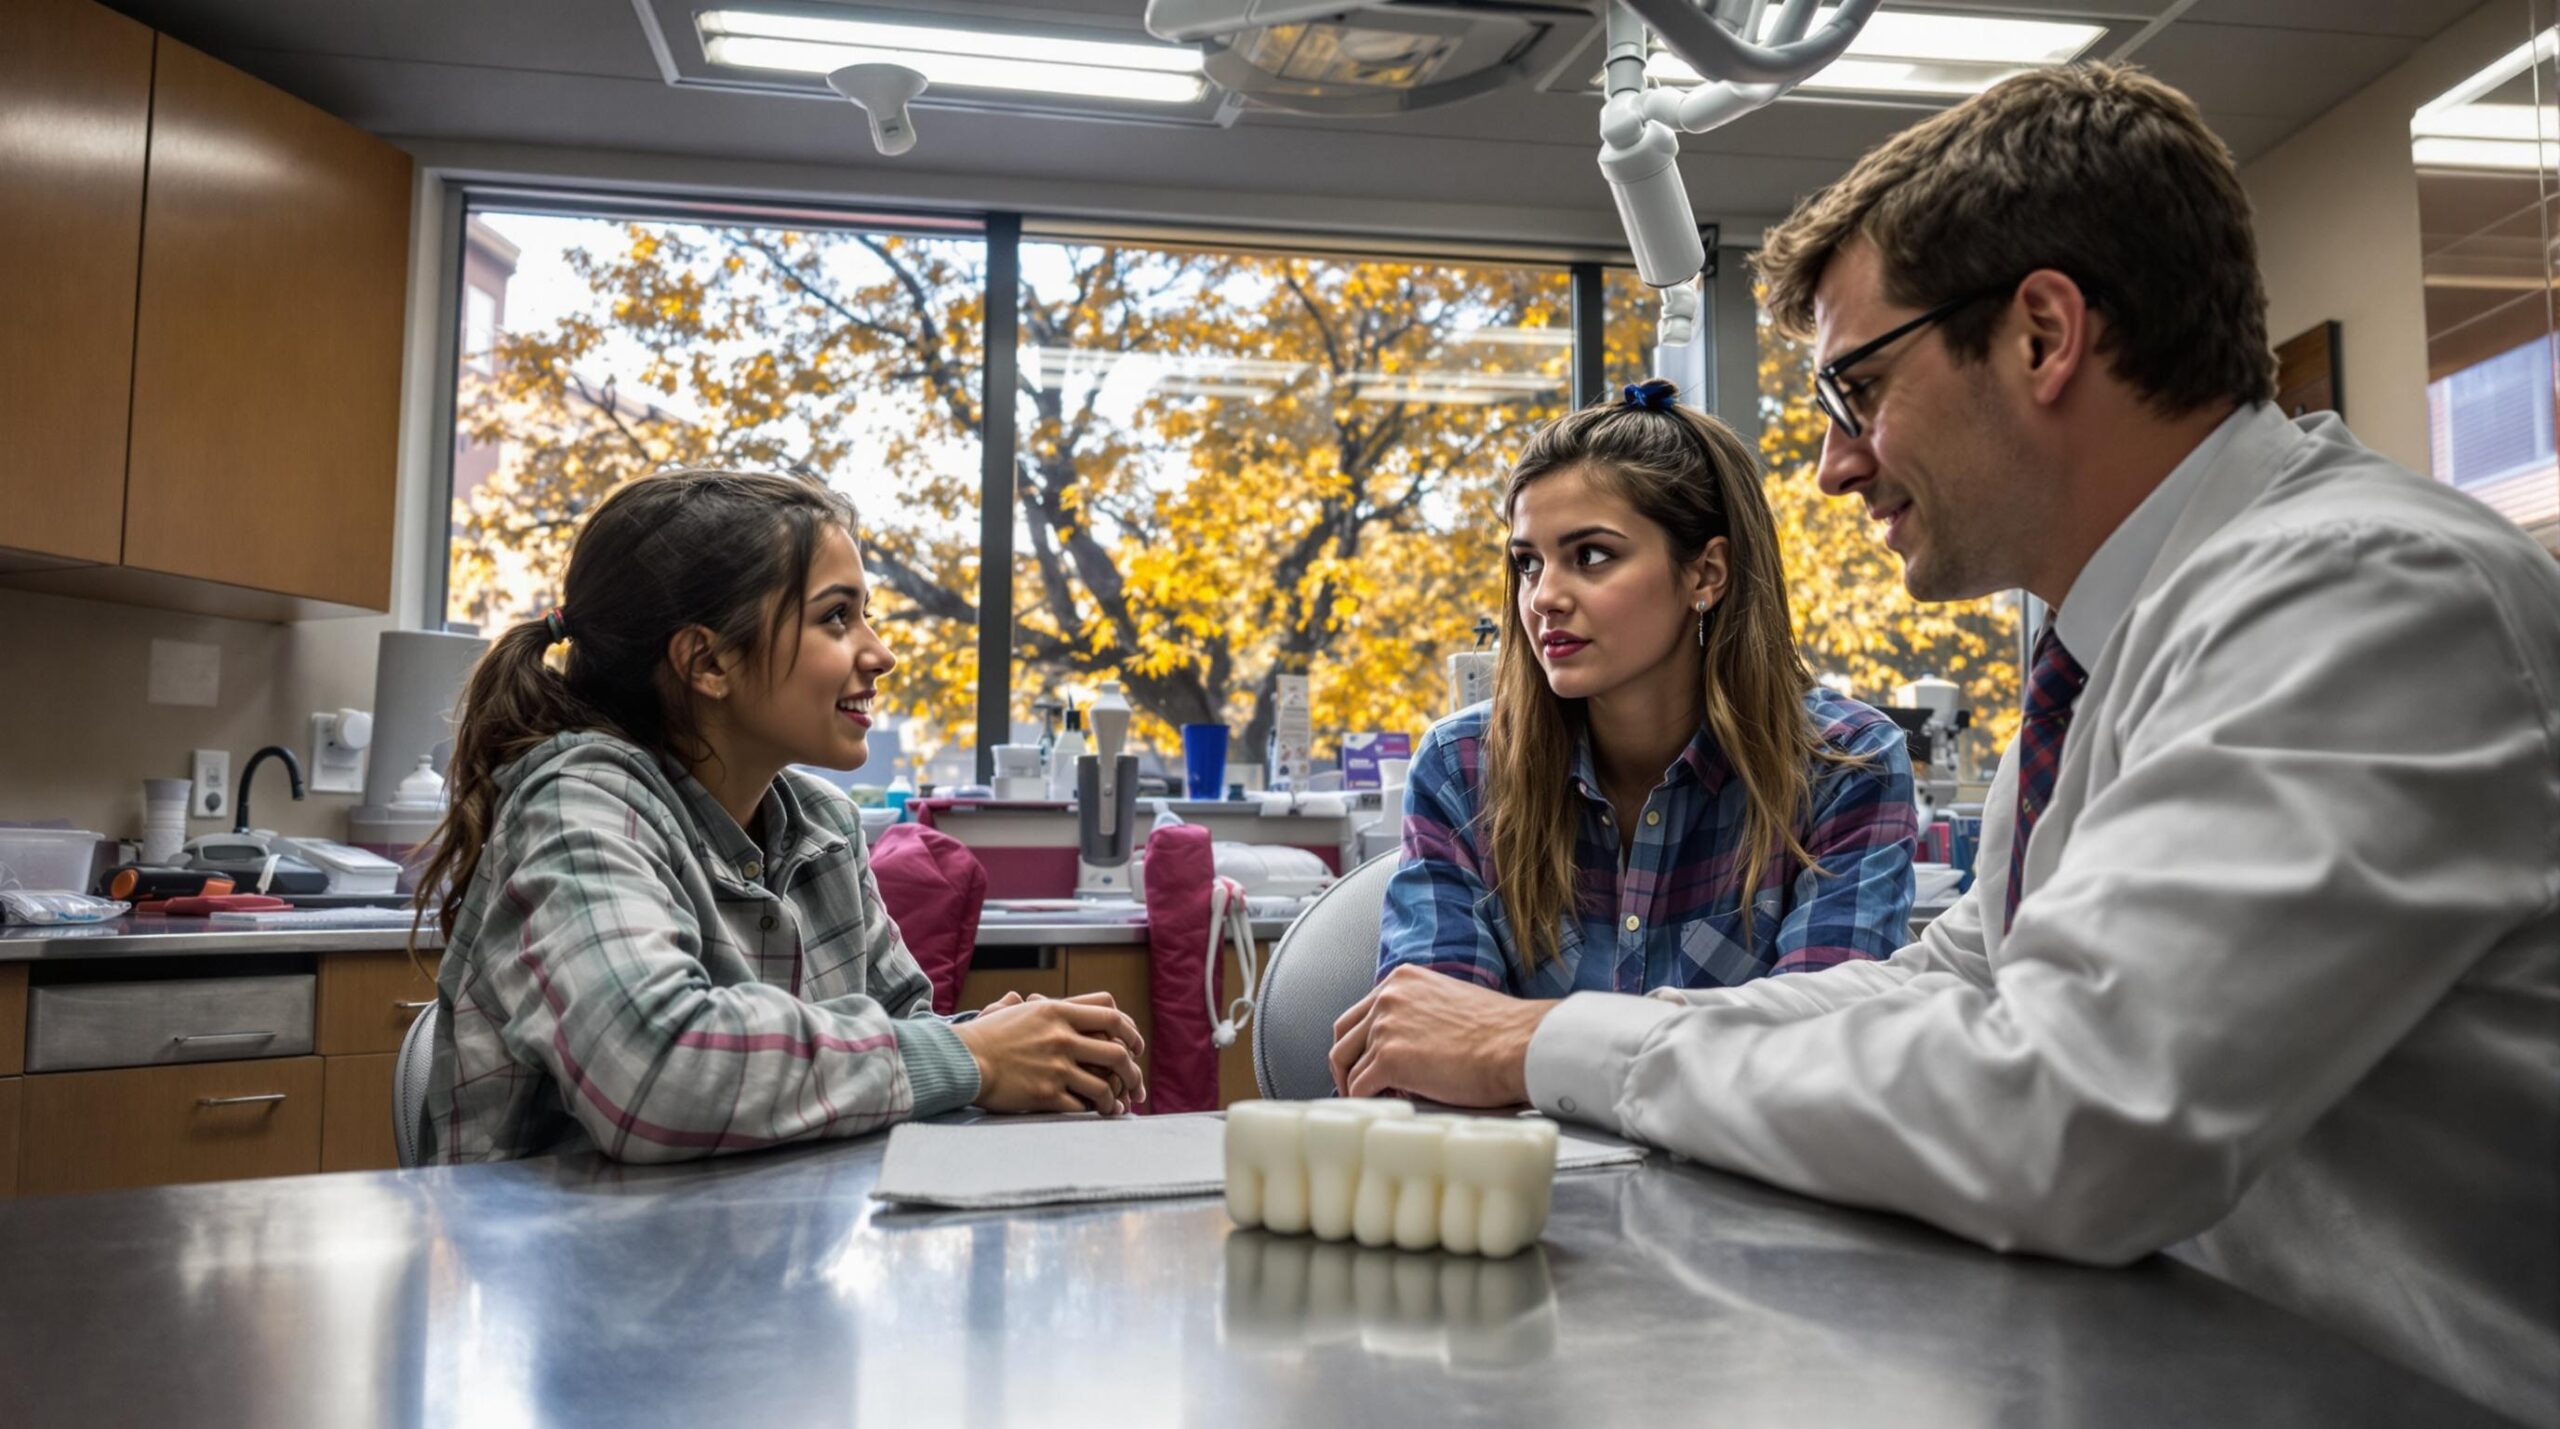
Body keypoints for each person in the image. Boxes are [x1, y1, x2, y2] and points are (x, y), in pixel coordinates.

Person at [1328, 63, 2560, 1423]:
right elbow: (1958, 983)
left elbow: (2073, 1116)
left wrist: (1545, 1047)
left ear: (2042, 334)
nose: (1837, 465)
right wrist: (1556, 1033)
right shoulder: (2128, 640)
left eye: (1858, 391)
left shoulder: (2361, 595)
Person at [416, 468, 1145, 1164]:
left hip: (749, 1263)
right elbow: (659, 1070)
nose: (881, 653)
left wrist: (1011, 1045)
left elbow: (899, 1041)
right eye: (836, 616)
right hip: (572, 1277)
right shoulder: (579, 807)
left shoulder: (823, 826)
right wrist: (972, 1056)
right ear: (708, 662)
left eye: (868, 615)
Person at [1377, 380, 1917, 1001]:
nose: (1544, 597)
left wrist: (1522, 1051)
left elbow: (1817, 1054)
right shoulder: (1463, 766)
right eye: (1528, 562)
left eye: (1592, 555)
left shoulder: (1844, 765)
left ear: (1706, 573)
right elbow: (1423, 1048)